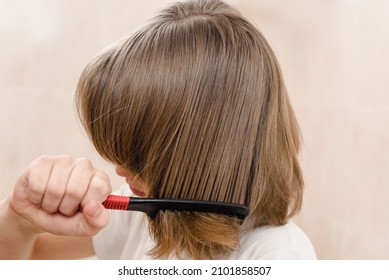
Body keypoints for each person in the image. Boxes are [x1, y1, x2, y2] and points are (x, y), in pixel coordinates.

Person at [0, 0, 316, 260]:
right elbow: (26, 257)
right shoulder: (140, 212)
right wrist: (18, 217)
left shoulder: (278, 256)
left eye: (142, 157)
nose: (119, 170)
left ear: (205, 150)